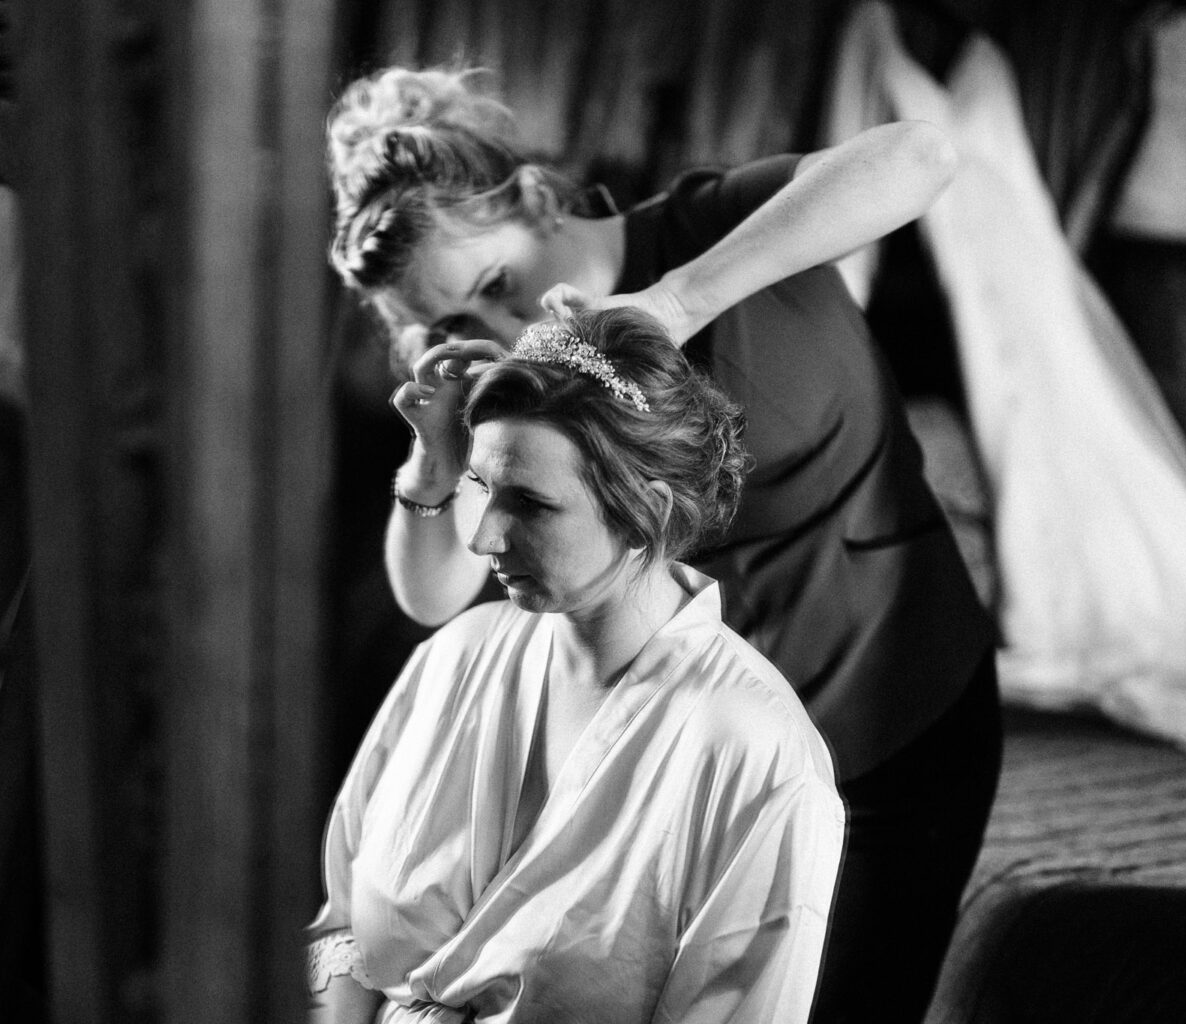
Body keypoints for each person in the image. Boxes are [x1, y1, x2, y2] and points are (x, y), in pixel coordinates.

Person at [327, 65, 1002, 1023]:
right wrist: (437, 460)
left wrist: (681, 302)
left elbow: (926, 152)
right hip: (697, 760)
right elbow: (432, 597)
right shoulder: (522, 383)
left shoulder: (708, 231)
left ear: (534, 198)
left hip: (897, 708)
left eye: (499, 285)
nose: (506, 330)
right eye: (458, 322)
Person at [309, 309, 845, 1024]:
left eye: (530, 504)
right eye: (482, 489)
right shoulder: (455, 657)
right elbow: (343, 924)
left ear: (645, 513)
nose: (485, 538)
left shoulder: (752, 754)